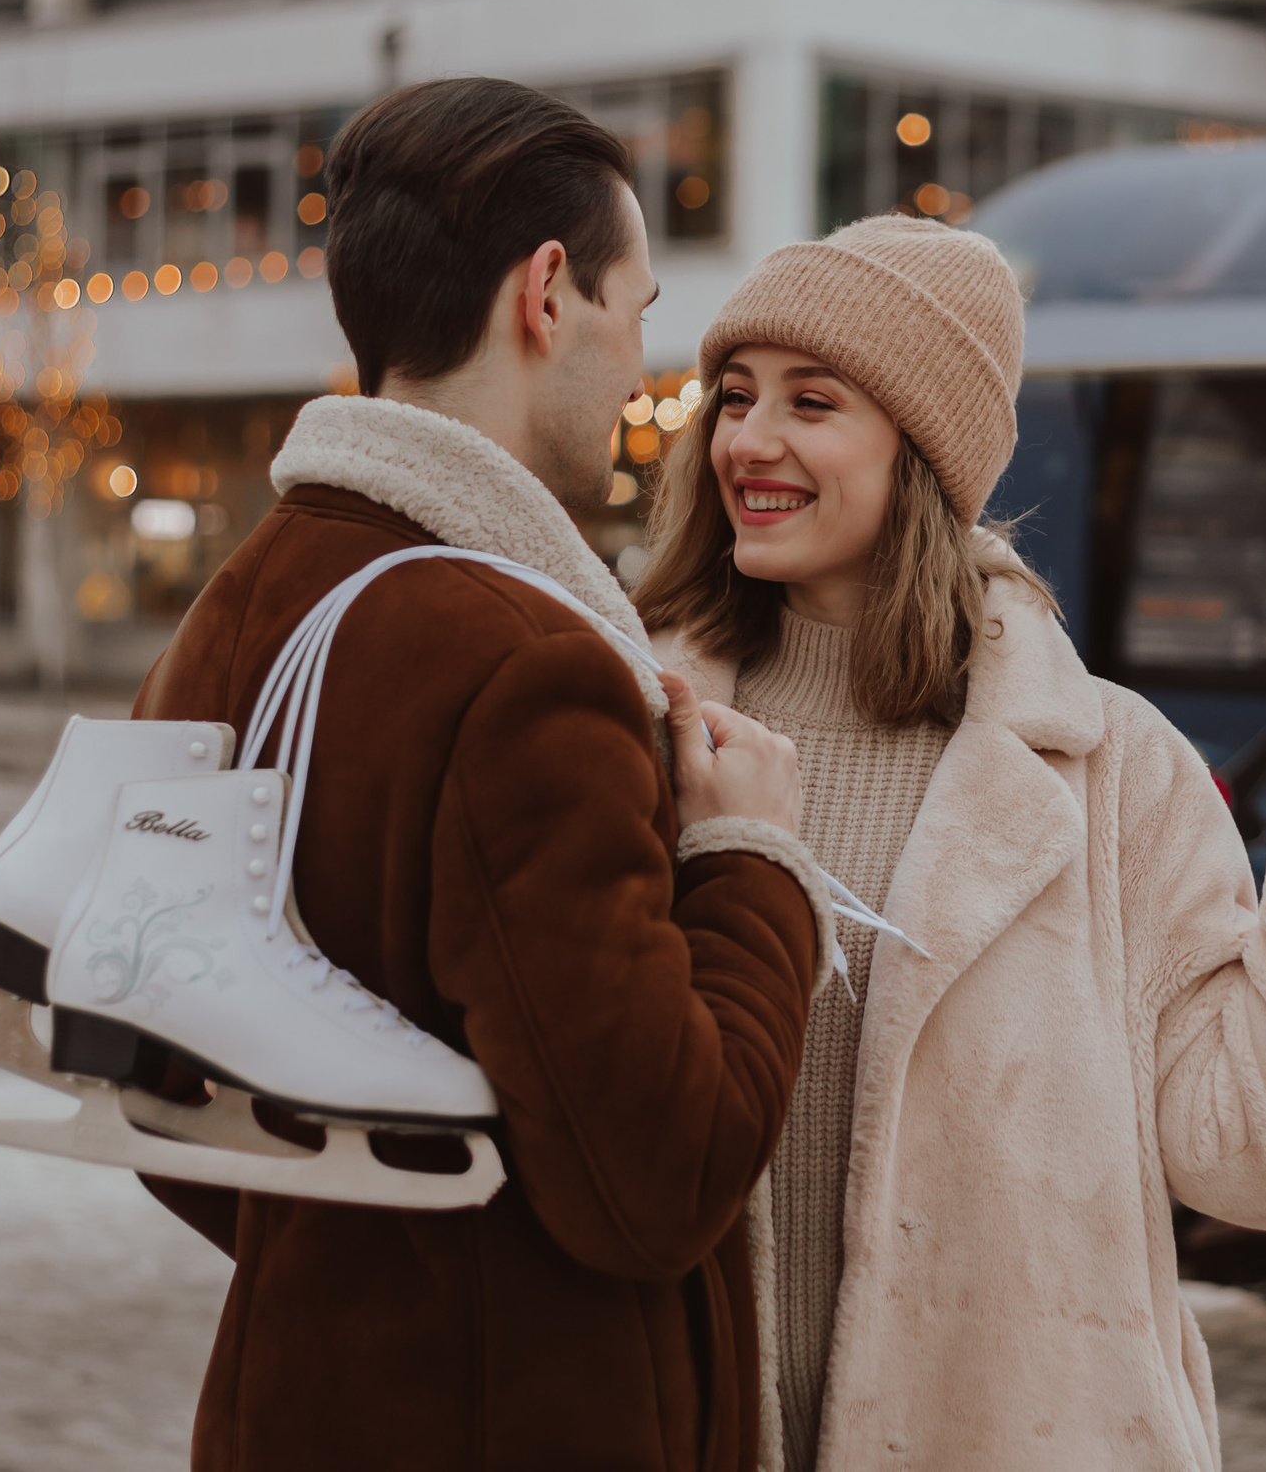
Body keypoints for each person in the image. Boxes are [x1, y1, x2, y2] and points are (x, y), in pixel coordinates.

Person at [635, 214, 1266, 1471]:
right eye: (735, 397)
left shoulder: (1105, 767)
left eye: (813, 403)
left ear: (921, 451)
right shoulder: (632, 721)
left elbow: (1256, 1153)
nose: (747, 440)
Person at [130, 78, 833, 1472]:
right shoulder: (531, 666)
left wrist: (364, 1252)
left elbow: (172, 1094)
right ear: (548, 290)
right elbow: (659, 1178)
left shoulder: (240, 607)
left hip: (293, 1403)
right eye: (637, 312)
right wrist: (751, 864)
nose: (642, 371)